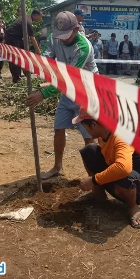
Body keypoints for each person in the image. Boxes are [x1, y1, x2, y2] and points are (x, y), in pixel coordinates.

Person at [25, 11, 98, 180]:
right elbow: (47, 60)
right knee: (59, 128)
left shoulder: (84, 47)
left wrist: (43, 94)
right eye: (61, 35)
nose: (63, 39)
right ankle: (57, 167)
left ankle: (94, 178)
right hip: (66, 93)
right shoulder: (54, 38)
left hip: (85, 94)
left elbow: (69, 78)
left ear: (76, 29)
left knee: (88, 137)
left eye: (67, 35)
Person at [74, 109, 140, 229]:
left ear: (94, 124)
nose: (84, 129)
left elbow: (124, 168)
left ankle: (133, 207)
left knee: (122, 172)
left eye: (84, 125)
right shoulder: (103, 135)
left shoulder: (121, 137)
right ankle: (98, 194)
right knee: (89, 150)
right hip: (123, 179)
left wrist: (94, 180)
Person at [4, 11, 39, 83]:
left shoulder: (27, 18)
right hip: (12, 37)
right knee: (15, 57)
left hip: (17, 38)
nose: (41, 18)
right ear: (35, 15)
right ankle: (16, 78)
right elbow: (32, 38)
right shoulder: (28, 21)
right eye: (41, 16)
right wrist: (38, 51)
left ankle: (26, 71)